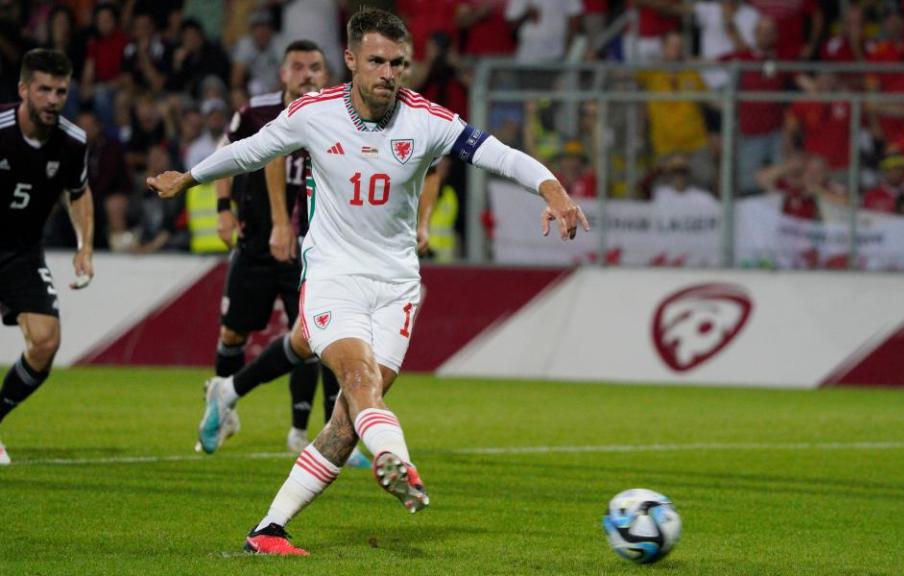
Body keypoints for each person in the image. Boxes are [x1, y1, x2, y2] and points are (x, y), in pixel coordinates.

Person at [147, 8, 587, 555]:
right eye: (376, 60)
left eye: (398, 62)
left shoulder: (427, 119)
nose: (388, 72)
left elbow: (498, 155)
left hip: (397, 284)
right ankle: (397, 460)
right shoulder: (315, 113)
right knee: (358, 381)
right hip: (334, 275)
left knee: (349, 418)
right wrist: (189, 177)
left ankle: (269, 529)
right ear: (351, 60)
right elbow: (251, 150)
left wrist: (553, 190)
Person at [205, 39, 356, 457]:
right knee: (233, 331)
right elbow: (228, 157)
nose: (307, 74)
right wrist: (223, 208)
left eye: (315, 67)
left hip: (314, 246)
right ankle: (223, 406)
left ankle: (319, 433)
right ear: (283, 73)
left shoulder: (340, 116)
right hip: (257, 239)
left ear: (326, 75)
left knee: (315, 338)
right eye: (298, 66)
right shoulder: (256, 113)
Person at [0, 48, 94, 465]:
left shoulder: (73, 143)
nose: (53, 99)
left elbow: (79, 192)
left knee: (45, 342)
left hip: (20, 250)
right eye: (43, 90)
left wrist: (84, 246)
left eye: (60, 91)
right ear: (23, 90)